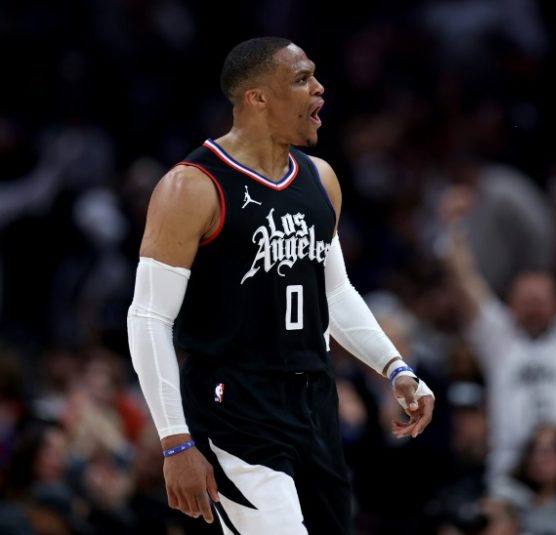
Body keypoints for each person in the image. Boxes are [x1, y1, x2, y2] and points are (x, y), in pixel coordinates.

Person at [126, 36, 435, 535]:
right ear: (257, 98)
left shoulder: (321, 179)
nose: (320, 88)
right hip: (235, 405)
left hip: (315, 400)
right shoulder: (192, 186)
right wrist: (175, 440)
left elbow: (334, 295)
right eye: (301, 78)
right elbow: (147, 317)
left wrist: (394, 366)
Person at [440, 179, 556, 482]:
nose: (534, 307)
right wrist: (453, 226)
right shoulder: (499, 339)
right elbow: (465, 284)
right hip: (509, 475)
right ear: (510, 305)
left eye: (541, 300)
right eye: (527, 300)